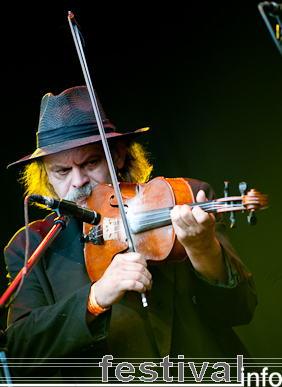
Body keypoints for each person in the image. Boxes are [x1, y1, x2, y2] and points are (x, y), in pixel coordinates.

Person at [4, 86, 257, 384]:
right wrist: (95, 298)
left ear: (119, 155)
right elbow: (19, 353)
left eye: (91, 163)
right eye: (62, 171)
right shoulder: (31, 247)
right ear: (46, 174)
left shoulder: (181, 199)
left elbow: (240, 310)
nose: (78, 181)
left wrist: (204, 251)